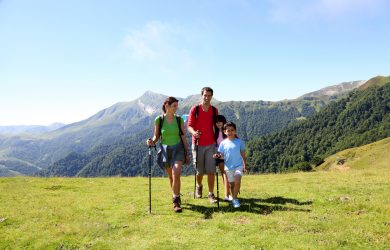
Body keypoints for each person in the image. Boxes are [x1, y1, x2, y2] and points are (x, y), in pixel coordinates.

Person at [146, 97, 190, 213]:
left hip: (178, 148)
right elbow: (156, 136)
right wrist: (151, 141)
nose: (176, 108)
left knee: (176, 173)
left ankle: (176, 201)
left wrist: (187, 151)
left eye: (176, 106)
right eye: (174, 106)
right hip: (165, 149)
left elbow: (183, 135)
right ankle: (175, 195)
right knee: (171, 176)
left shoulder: (179, 119)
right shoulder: (159, 120)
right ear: (167, 106)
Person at [188, 87, 219, 203]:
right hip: (197, 144)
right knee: (199, 171)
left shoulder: (215, 111)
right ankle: (199, 186)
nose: (207, 97)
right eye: (205, 95)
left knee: (211, 170)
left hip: (211, 144)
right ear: (202, 95)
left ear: (212, 96)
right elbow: (190, 125)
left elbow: (217, 126)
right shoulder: (195, 109)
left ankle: (211, 194)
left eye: (209, 95)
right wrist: (194, 133)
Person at [213, 122, 247, 208]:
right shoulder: (223, 143)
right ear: (225, 132)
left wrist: (244, 165)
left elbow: (243, 154)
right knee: (231, 184)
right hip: (228, 167)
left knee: (237, 180)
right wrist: (217, 155)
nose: (230, 132)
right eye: (228, 130)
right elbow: (221, 154)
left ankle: (235, 199)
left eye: (232, 130)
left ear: (235, 131)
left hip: (238, 166)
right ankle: (234, 196)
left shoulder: (239, 142)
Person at [214, 115, 232, 201]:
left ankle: (228, 194)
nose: (218, 124)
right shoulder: (215, 132)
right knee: (224, 174)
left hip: (228, 156)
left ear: (223, 122)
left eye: (220, 122)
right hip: (219, 155)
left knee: (227, 174)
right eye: (217, 122)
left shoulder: (227, 132)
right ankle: (227, 195)